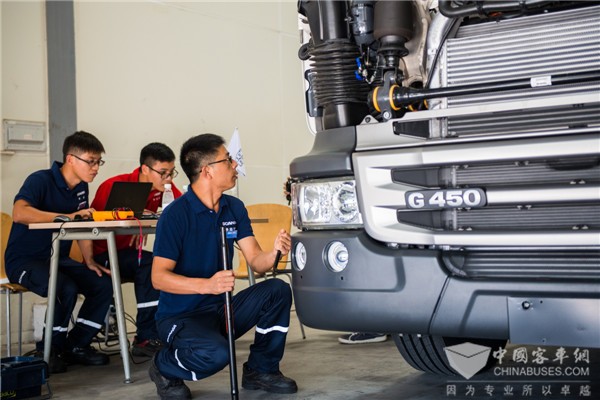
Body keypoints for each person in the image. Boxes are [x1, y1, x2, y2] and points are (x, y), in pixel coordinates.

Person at [149, 133, 298, 399]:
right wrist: (207, 285)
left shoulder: (234, 208)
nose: (235, 164)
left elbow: (257, 263)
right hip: (181, 317)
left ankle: (261, 369)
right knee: (217, 354)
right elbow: (158, 278)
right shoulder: (175, 215)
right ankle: (164, 366)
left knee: (277, 290)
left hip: (221, 310)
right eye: (228, 160)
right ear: (207, 170)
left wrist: (275, 251)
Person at [4, 131, 113, 373]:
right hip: (24, 261)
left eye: (99, 162)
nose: (96, 168)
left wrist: (89, 260)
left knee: (102, 284)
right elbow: (20, 213)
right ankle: (50, 349)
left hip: (57, 259)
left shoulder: (81, 187)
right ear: (71, 159)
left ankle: (76, 345)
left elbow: (81, 224)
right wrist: (65, 217)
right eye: (91, 161)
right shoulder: (40, 180)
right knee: (64, 287)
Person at [91, 142, 183, 357]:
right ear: (145, 169)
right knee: (152, 265)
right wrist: (134, 218)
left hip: (131, 256)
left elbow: (183, 208)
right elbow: (92, 223)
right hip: (104, 255)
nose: (168, 179)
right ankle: (145, 336)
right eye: (163, 173)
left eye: (171, 172)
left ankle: (168, 330)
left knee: (172, 263)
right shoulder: (114, 185)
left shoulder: (164, 189)